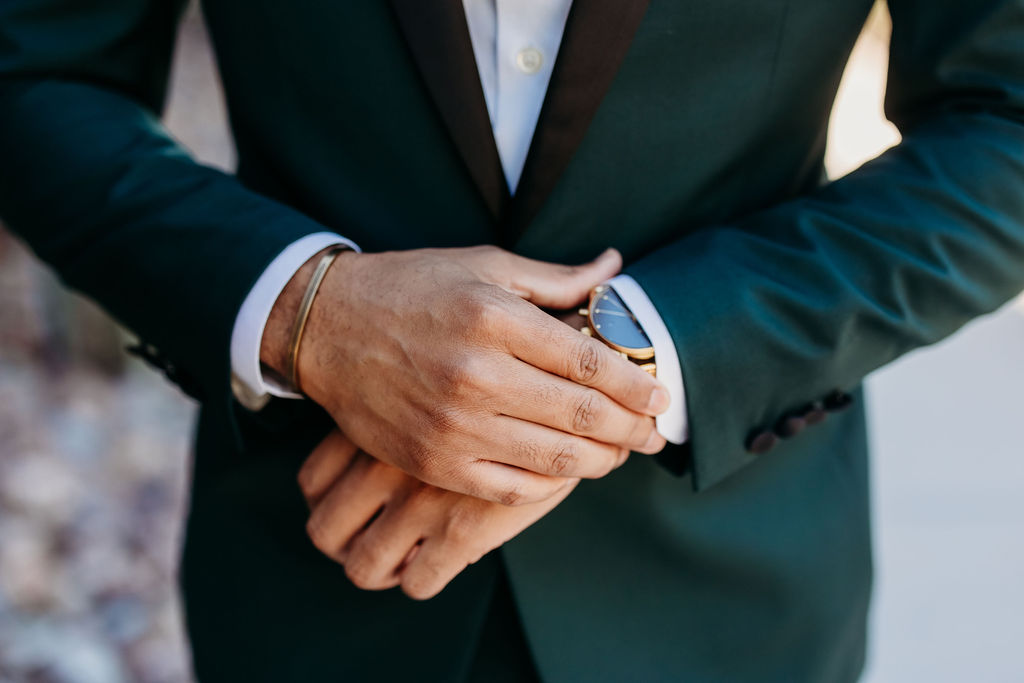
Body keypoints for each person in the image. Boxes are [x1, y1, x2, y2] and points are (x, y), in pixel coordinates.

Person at [1, 0, 1022, 680]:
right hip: (320, 567)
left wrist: (620, 357)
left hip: (724, 589)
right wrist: (302, 309)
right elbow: (34, 74)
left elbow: (1005, 119)